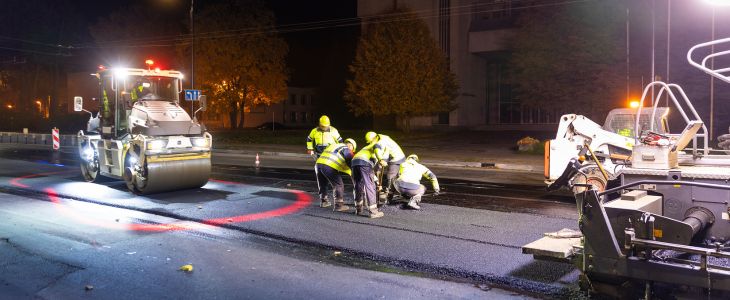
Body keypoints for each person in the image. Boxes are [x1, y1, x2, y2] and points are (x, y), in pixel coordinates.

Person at [315, 138, 357, 211]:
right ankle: (339, 206)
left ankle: (323, 201)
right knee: (338, 184)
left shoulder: (334, 145)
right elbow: (350, 163)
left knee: (323, 183)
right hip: (328, 165)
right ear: (351, 146)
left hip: (318, 164)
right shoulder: (346, 148)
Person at [365, 131, 405, 205]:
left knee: (390, 176)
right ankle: (385, 194)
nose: (371, 144)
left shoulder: (380, 143)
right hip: (392, 156)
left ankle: (387, 197)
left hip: (396, 158)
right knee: (381, 170)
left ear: (374, 139)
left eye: (370, 142)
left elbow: (383, 157)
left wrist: (379, 164)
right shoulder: (381, 137)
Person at [351, 143, 384, 218]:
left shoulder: (366, 148)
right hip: (364, 163)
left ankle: (358, 209)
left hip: (354, 162)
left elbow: (374, 171)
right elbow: (376, 170)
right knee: (369, 185)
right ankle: (373, 212)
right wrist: (381, 161)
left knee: (358, 185)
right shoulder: (378, 147)